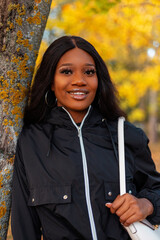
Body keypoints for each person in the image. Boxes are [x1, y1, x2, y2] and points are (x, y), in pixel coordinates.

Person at [11, 36, 160, 240]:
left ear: (98, 80)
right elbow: (24, 226)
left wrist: (146, 204)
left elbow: (156, 189)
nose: (79, 80)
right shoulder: (30, 142)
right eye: (66, 71)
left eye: (89, 72)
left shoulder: (126, 134)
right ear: (51, 82)